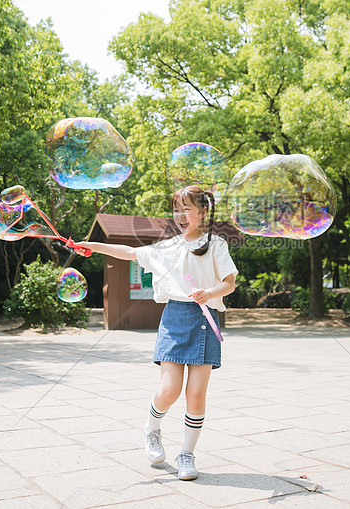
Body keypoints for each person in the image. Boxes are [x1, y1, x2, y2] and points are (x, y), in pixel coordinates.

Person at [72, 185, 237, 480]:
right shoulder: (168, 247)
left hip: (204, 319)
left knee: (196, 395)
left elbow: (229, 283)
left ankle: (187, 455)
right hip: (174, 318)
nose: (181, 215)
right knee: (169, 390)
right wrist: (94, 246)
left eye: (187, 209)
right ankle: (152, 429)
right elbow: (131, 252)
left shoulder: (216, 245)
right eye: (176, 209)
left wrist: (209, 292)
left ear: (202, 211)